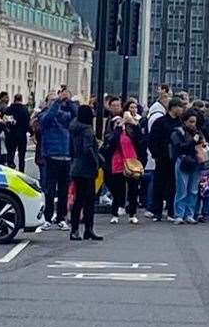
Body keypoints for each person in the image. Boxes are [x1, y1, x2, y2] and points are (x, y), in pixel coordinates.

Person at [37, 89, 75, 231]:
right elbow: (48, 117)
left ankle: (61, 217)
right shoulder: (44, 116)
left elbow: (75, 116)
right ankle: (47, 217)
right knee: (50, 189)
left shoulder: (65, 116)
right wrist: (58, 101)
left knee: (64, 189)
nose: (55, 103)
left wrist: (68, 101)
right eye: (51, 100)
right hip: (51, 155)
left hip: (66, 156)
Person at [67, 104, 103, 241]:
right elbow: (88, 149)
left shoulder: (75, 127)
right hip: (87, 168)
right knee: (88, 201)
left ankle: (75, 229)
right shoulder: (88, 130)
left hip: (77, 165)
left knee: (79, 200)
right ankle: (88, 229)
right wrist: (97, 161)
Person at [147, 97, 184, 221]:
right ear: (173, 107)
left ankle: (171, 211)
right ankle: (156, 211)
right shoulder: (160, 122)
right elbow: (152, 139)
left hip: (176, 157)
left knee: (174, 185)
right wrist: (155, 154)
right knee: (159, 184)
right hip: (162, 157)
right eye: (180, 107)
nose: (182, 109)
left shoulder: (181, 123)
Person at [104, 110, 144, 224]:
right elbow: (112, 143)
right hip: (118, 164)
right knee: (118, 191)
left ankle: (132, 214)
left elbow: (139, 139)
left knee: (133, 190)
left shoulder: (130, 132)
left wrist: (133, 123)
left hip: (132, 162)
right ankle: (115, 213)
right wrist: (117, 128)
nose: (120, 123)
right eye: (116, 122)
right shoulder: (111, 134)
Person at [172, 110, 203, 224]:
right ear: (184, 121)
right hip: (183, 160)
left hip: (195, 161)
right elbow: (179, 147)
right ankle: (179, 215)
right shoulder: (178, 132)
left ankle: (189, 214)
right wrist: (192, 142)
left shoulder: (198, 132)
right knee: (182, 189)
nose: (193, 124)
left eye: (194, 122)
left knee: (193, 190)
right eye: (190, 121)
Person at [5, 93, 31, 172]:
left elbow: (6, 120)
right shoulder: (25, 109)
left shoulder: (9, 109)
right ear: (21, 99)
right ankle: (21, 171)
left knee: (10, 153)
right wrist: (31, 132)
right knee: (22, 156)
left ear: (14, 99)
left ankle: (10, 168)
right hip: (22, 135)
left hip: (11, 134)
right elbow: (28, 122)